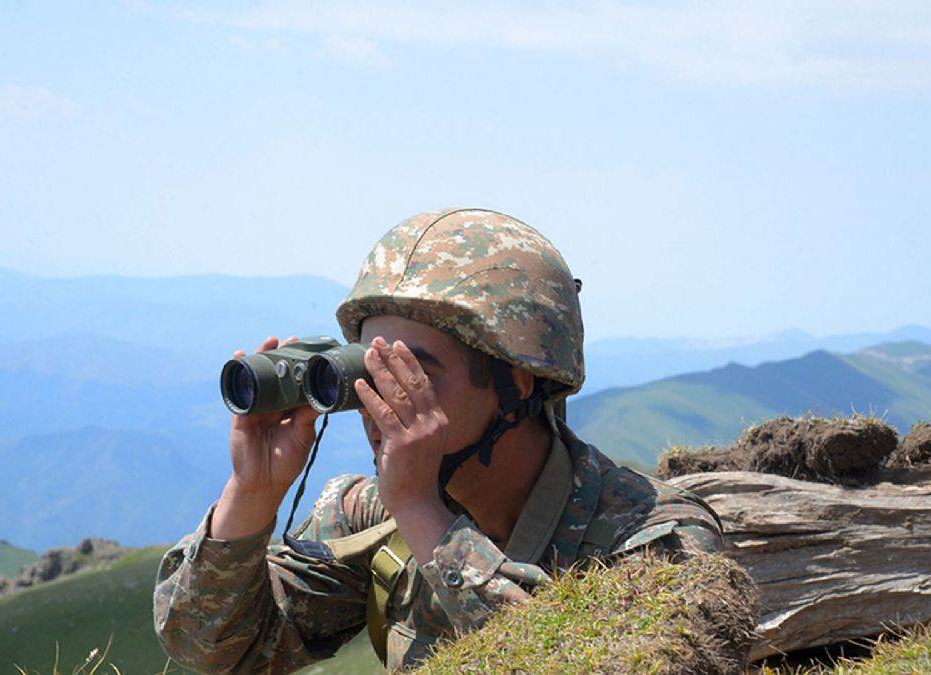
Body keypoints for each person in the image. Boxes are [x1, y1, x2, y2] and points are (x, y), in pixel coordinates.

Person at [154, 208, 725, 673]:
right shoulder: (367, 518)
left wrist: (423, 512)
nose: (384, 399)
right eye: (371, 372)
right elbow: (212, 648)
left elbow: (566, 657)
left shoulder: (656, 538)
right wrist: (252, 493)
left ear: (515, 382)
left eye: (414, 372)